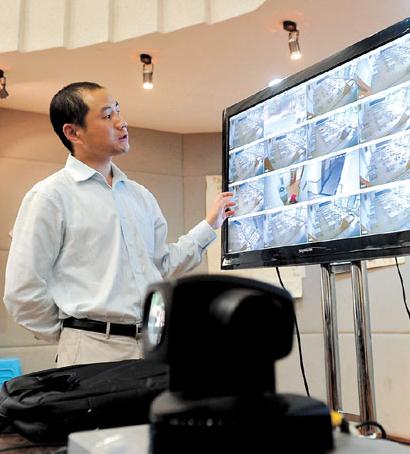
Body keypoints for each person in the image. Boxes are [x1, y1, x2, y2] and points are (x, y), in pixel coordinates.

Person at [3, 82, 235, 367]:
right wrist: (74, 334)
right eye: (107, 115)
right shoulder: (49, 196)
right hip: (91, 352)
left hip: (152, 346)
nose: (121, 122)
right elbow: (22, 292)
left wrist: (210, 224)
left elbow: (160, 266)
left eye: (119, 111)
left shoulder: (140, 196)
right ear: (72, 132)